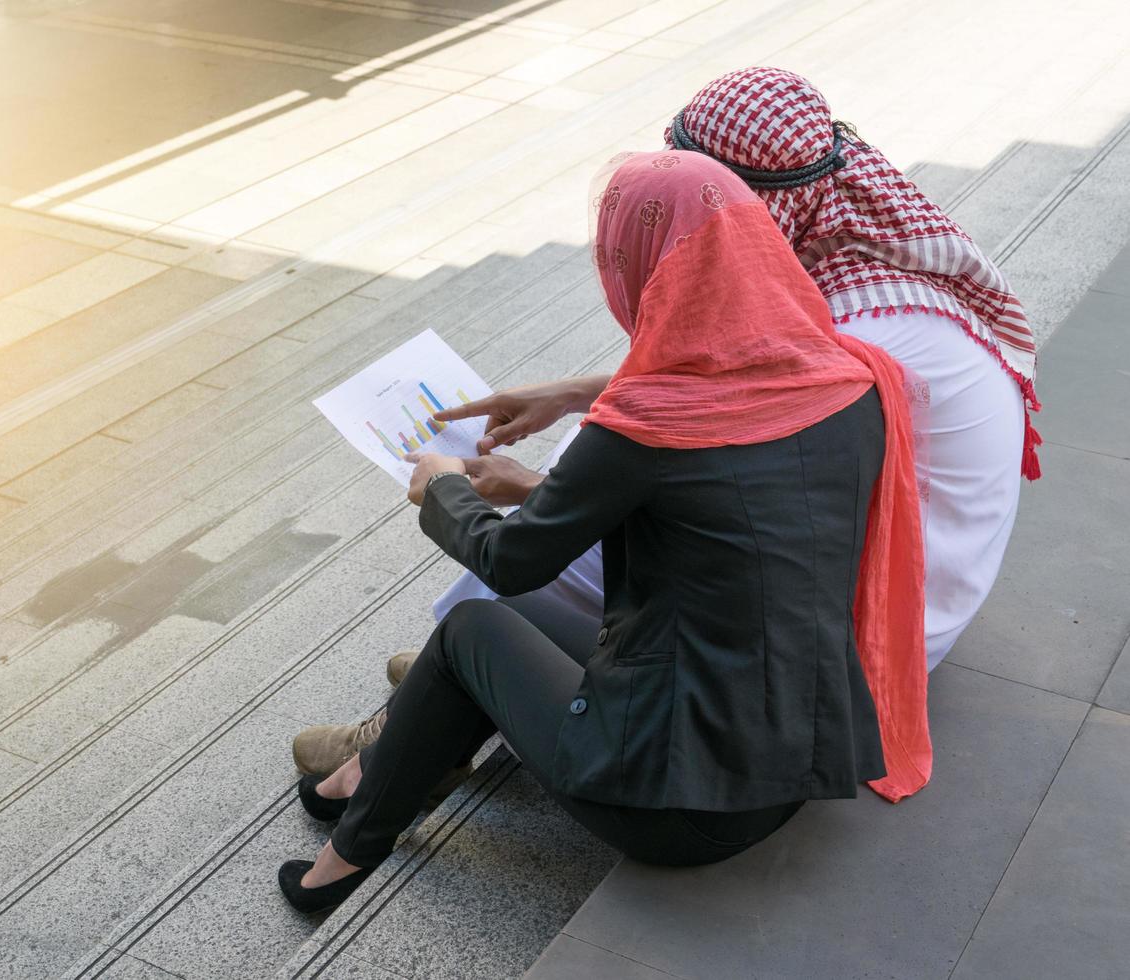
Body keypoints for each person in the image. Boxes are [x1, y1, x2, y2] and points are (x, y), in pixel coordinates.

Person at [291, 67, 1037, 781]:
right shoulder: (858, 264)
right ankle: (461, 678)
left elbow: (696, 457)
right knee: (602, 493)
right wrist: (576, 393)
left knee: (547, 567)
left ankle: (416, 727)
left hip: (874, 632)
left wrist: (541, 491)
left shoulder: (874, 333)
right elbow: (762, 378)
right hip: (894, 574)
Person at [278, 150, 930, 914]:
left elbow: (511, 561)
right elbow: (713, 503)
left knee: (471, 627)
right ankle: (362, 775)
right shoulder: (846, 380)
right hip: (795, 757)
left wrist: (444, 491)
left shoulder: (646, 428)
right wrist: (551, 458)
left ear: (635, 265)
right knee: (511, 631)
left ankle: (344, 858)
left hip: (676, 807)